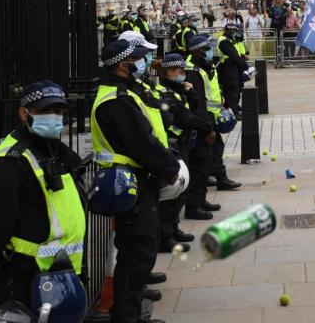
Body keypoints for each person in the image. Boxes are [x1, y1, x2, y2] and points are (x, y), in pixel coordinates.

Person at [0, 81, 85, 315]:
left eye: (59, 110)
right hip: (24, 277)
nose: (54, 117)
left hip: (59, 273)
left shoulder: (52, 150)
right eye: (45, 111)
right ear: (24, 113)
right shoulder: (10, 160)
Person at [90, 40, 180, 323]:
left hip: (132, 179)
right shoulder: (117, 99)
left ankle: (130, 309)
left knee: (138, 250)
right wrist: (169, 167)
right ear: (122, 64)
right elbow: (141, 142)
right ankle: (126, 315)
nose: (143, 63)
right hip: (129, 182)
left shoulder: (122, 93)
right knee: (137, 252)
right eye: (138, 59)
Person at [155, 53, 210, 245]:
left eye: (182, 71)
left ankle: (173, 228)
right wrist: (204, 125)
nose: (181, 74)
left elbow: (193, 110)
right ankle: (165, 235)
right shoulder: (165, 93)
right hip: (173, 144)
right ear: (167, 72)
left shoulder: (177, 90)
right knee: (172, 190)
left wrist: (191, 94)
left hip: (183, 143)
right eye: (177, 71)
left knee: (181, 189)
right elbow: (186, 118)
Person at [185, 33, 242, 194]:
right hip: (204, 118)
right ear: (197, 51)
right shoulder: (194, 71)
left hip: (212, 115)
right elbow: (199, 101)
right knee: (211, 150)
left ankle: (213, 178)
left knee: (213, 149)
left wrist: (222, 98)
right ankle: (219, 180)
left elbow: (214, 86)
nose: (211, 50)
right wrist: (207, 126)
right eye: (207, 48)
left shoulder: (207, 65)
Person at [216, 23, 247, 116]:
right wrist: (246, 67)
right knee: (232, 90)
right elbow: (234, 56)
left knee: (235, 89)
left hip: (232, 67)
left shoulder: (229, 40)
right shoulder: (224, 41)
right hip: (228, 68)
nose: (236, 33)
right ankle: (233, 113)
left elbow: (237, 54)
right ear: (230, 30)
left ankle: (234, 108)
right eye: (234, 31)